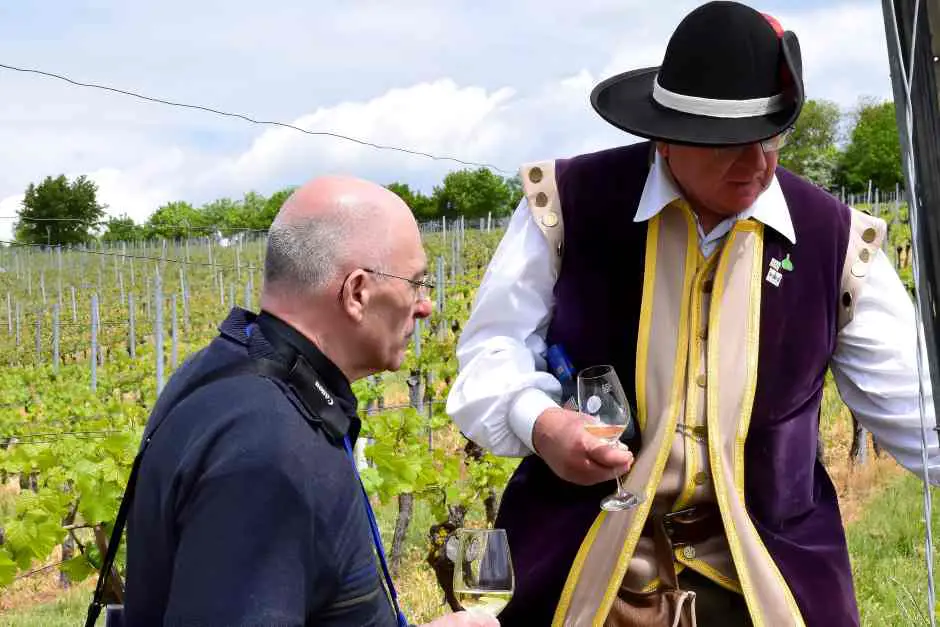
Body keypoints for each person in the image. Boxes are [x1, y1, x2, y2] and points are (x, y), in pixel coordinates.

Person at [446, 2, 940, 626]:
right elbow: (490, 354)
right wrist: (540, 422)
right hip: (584, 567)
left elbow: (918, 412)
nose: (758, 165)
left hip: (771, 576)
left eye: (773, 137)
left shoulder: (835, 241)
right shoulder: (568, 205)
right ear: (665, 136)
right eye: (732, 145)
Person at [123, 175, 498, 627]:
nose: (425, 306)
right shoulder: (268, 446)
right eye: (416, 283)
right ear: (357, 292)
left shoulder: (225, 369)